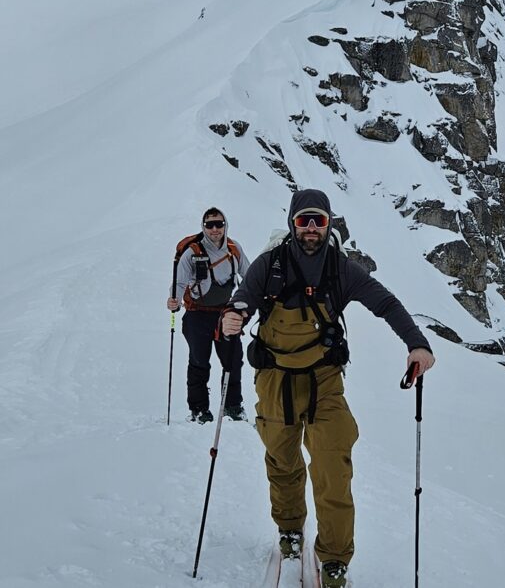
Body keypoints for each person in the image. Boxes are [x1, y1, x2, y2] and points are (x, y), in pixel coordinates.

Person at [223, 188, 435, 588]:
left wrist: (417, 344)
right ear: (292, 223)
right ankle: (290, 529)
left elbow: (386, 304)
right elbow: (242, 300)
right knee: (282, 459)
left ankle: (334, 558)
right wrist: (232, 317)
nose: (311, 228)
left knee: (333, 465)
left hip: (324, 378)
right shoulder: (268, 266)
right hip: (275, 377)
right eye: (303, 220)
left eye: (318, 220)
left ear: (329, 224)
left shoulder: (342, 270)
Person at [169, 207, 251, 423]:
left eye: (219, 224)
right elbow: (179, 281)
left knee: (233, 360)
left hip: (226, 314)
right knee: (199, 362)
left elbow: (249, 277)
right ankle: (199, 410)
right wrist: (174, 300)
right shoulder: (192, 251)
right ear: (203, 227)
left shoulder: (234, 249)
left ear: (225, 225)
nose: (215, 229)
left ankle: (233, 407)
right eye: (210, 225)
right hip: (197, 315)